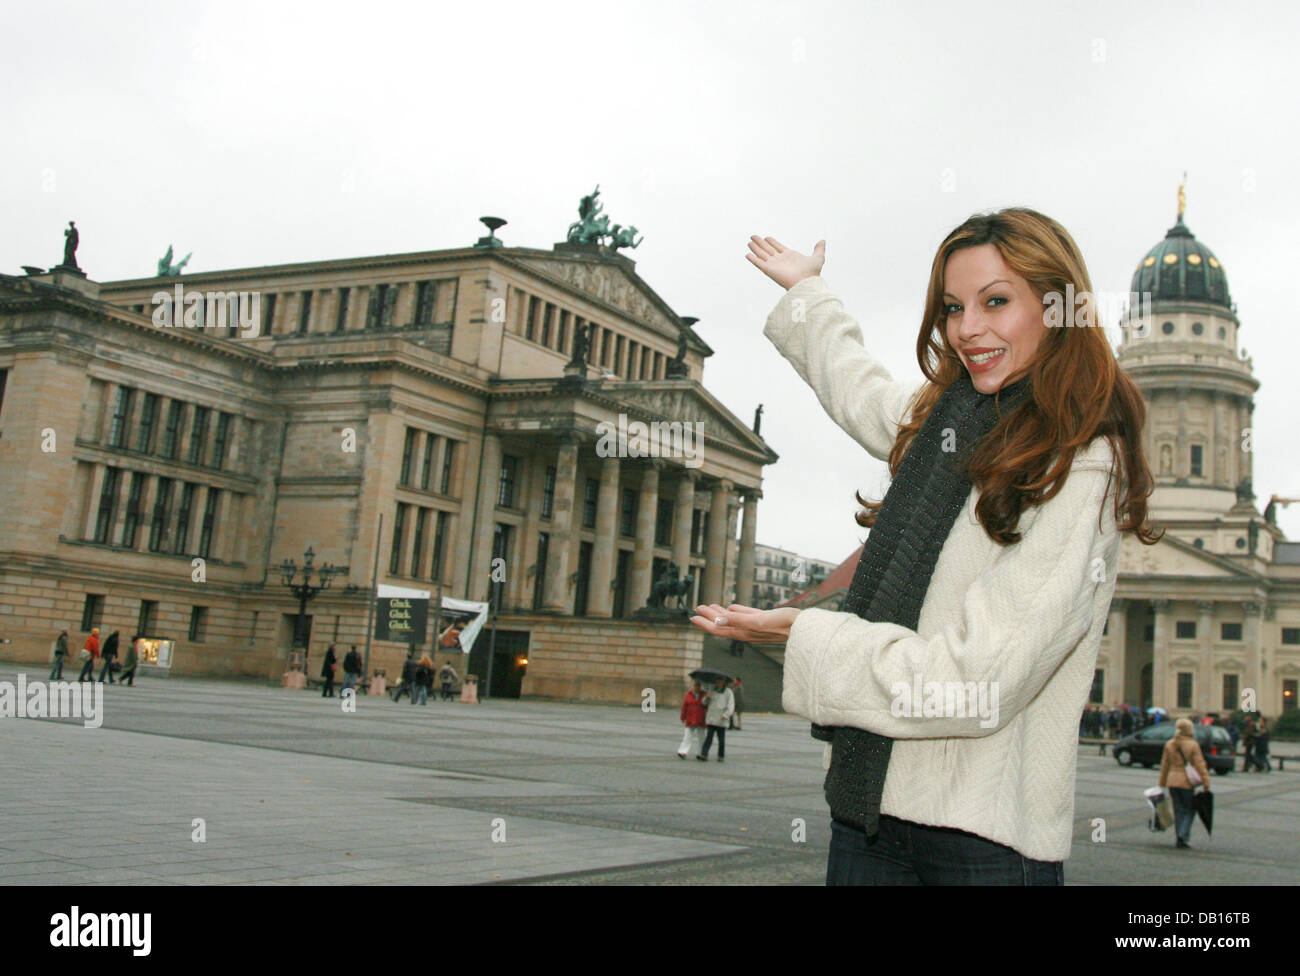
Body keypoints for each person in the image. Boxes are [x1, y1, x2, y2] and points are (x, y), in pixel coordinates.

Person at [691, 212, 1160, 885]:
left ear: (1058, 308)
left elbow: (977, 683)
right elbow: (864, 392)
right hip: (868, 812)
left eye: (996, 301)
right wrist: (809, 294)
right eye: (952, 307)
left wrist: (810, 632)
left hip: (983, 843)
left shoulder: (1080, 462)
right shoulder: (954, 418)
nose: (967, 328)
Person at [1158, 717, 1212, 849]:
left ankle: (1179, 836)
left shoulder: (1170, 744)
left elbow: (1165, 764)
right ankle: (1183, 835)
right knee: (1189, 809)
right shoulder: (1192, 744)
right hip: (1186, 782)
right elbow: (1200, 765)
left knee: (1178, 809)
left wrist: (1162, 782)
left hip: (1172, 780)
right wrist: (1206, 781)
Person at [698, 676, 734, 762]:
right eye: (718, 680)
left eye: (721, 681)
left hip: (721, 719)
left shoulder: (728, 692)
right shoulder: (712, 690)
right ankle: (704, 754)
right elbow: (704, 703)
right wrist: (707, 697)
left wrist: (726, 715)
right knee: (709, 738)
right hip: (712, 718)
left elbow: (731, 706)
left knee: (721, 739)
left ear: (724, 682)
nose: (719, 682)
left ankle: (721, 755)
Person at [678, 680, 707, 758]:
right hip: (690, 718)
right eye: (695, 686)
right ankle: (683, 751)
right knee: (687, 736)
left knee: (701, 737)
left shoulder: (704, 695)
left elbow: (707, 705)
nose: (697, 687)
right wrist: (683, 716)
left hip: (701, 718)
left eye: (698, 686)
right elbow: (685, 706)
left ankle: (701, 752)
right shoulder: (689, 694)